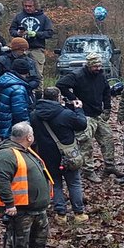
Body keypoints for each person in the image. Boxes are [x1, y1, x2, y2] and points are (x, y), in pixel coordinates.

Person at [0, 121, 53, 248]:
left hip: (37, 208)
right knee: (19, 243)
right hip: (21, 210)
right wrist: (9, 204)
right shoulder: (6, 155)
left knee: (39, 239)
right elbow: (2, 181)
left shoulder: (25, 151)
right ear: (29, 137)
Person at [31, 86, 88, 220]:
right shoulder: (65, 114)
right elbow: (82, 124)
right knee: (74, 182)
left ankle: (60, 214)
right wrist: (78, 109)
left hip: (46, 155)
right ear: (58, 97)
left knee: (55, 183)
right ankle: (79, 213)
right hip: (67, 154)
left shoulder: (34, 115)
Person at [58, 52, 118, 182]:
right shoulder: (78, 75)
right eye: (95, 66)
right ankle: (88, 171)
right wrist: (74, 99)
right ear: (89, 66)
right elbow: (61, 85)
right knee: (86, 144)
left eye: (99, 66)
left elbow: (106, 91)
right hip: (84, 115)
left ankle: (110, 166)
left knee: (108, 140)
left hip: (98, 114)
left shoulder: (101, 75)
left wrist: (107, 108)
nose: (98, 68)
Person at [8, 0, 55, 74]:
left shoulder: (43, 17)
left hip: (37, 49)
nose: (27, 8)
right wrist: (18, 33)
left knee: (37, 74)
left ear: (35, 6)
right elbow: (12, 30)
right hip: (20, 49)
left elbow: (49, 33)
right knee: (20, 73)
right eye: (25, 6)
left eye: (30, 6)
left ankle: (38, 87)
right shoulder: (19, 16)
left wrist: (36, 34)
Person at [0, 58, 34, 140]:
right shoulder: (18, 89)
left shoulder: (6, 81)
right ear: (26, 72)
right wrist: (28, 128)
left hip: (4, 124)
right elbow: (20, 113)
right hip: (13, 129)